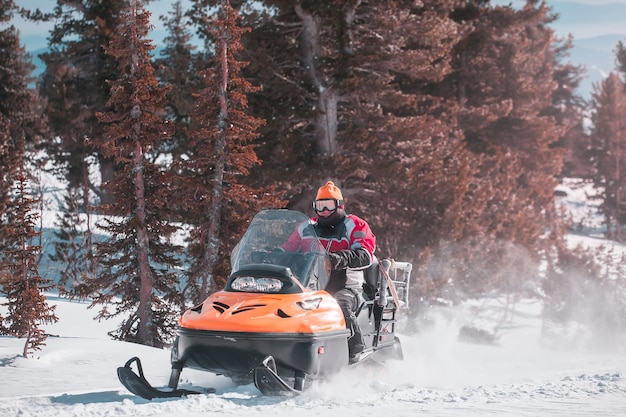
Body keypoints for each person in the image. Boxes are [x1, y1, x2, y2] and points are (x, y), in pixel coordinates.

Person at [282, 181, 376, 363]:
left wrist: (339, 258)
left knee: (337, 305)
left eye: (329, 205)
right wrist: (269, 255)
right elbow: (288, 250)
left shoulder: (354, 225)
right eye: (320, 205)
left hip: (346, 287)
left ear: (340, 205)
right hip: (307, 287)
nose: (324, 210)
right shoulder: (306, 227)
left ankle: (353, 350)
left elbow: (365, 254)